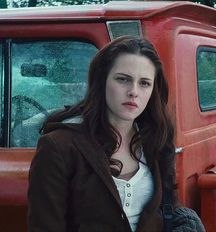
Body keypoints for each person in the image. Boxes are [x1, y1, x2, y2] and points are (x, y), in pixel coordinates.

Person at [28, 36, 205, 232]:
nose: (133, 92)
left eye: (144, 83)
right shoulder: (59, 145)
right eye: (123, 79)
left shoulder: (155, 138)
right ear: (101, 80)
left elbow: (168, 204)